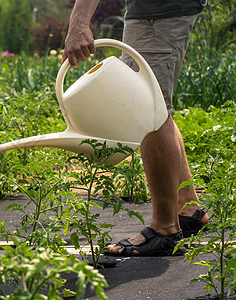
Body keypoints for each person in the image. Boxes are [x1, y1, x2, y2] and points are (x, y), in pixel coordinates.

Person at [62, 0, 208, 256]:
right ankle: (187, 207)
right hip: (155, 13)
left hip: (157, 15)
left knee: (147, 112)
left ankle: (165, 229)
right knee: (155, 108)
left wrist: (79, 20)